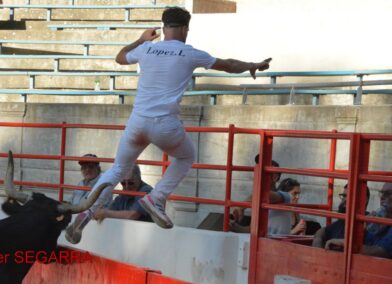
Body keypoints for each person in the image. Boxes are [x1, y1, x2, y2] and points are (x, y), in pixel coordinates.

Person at [65, 6, 271, 244]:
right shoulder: (189, 52)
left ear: (163, 28)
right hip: (165, 125)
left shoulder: (147, 49)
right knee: (185, 157)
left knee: (118, 169)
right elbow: (228, 65)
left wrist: (140, 39)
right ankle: (156, 198)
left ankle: (84, 213)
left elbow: (120, 58)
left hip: (137, 122)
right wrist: (252, 65)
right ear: (185, 28)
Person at [324, 182, 392, 258]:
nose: (382, 197)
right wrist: (364, 227)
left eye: (388, 193)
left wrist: (344, 244)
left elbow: (381, 251)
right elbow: (323, 231)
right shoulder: (375, 219)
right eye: (382, 193)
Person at [312, 184, 370, 248]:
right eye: (344, 196)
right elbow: (323, 231)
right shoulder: (343, 220)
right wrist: (318, 240)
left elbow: (378, 250)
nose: (345, 200)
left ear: (364, 200)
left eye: (350, 196)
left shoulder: (370, 223)